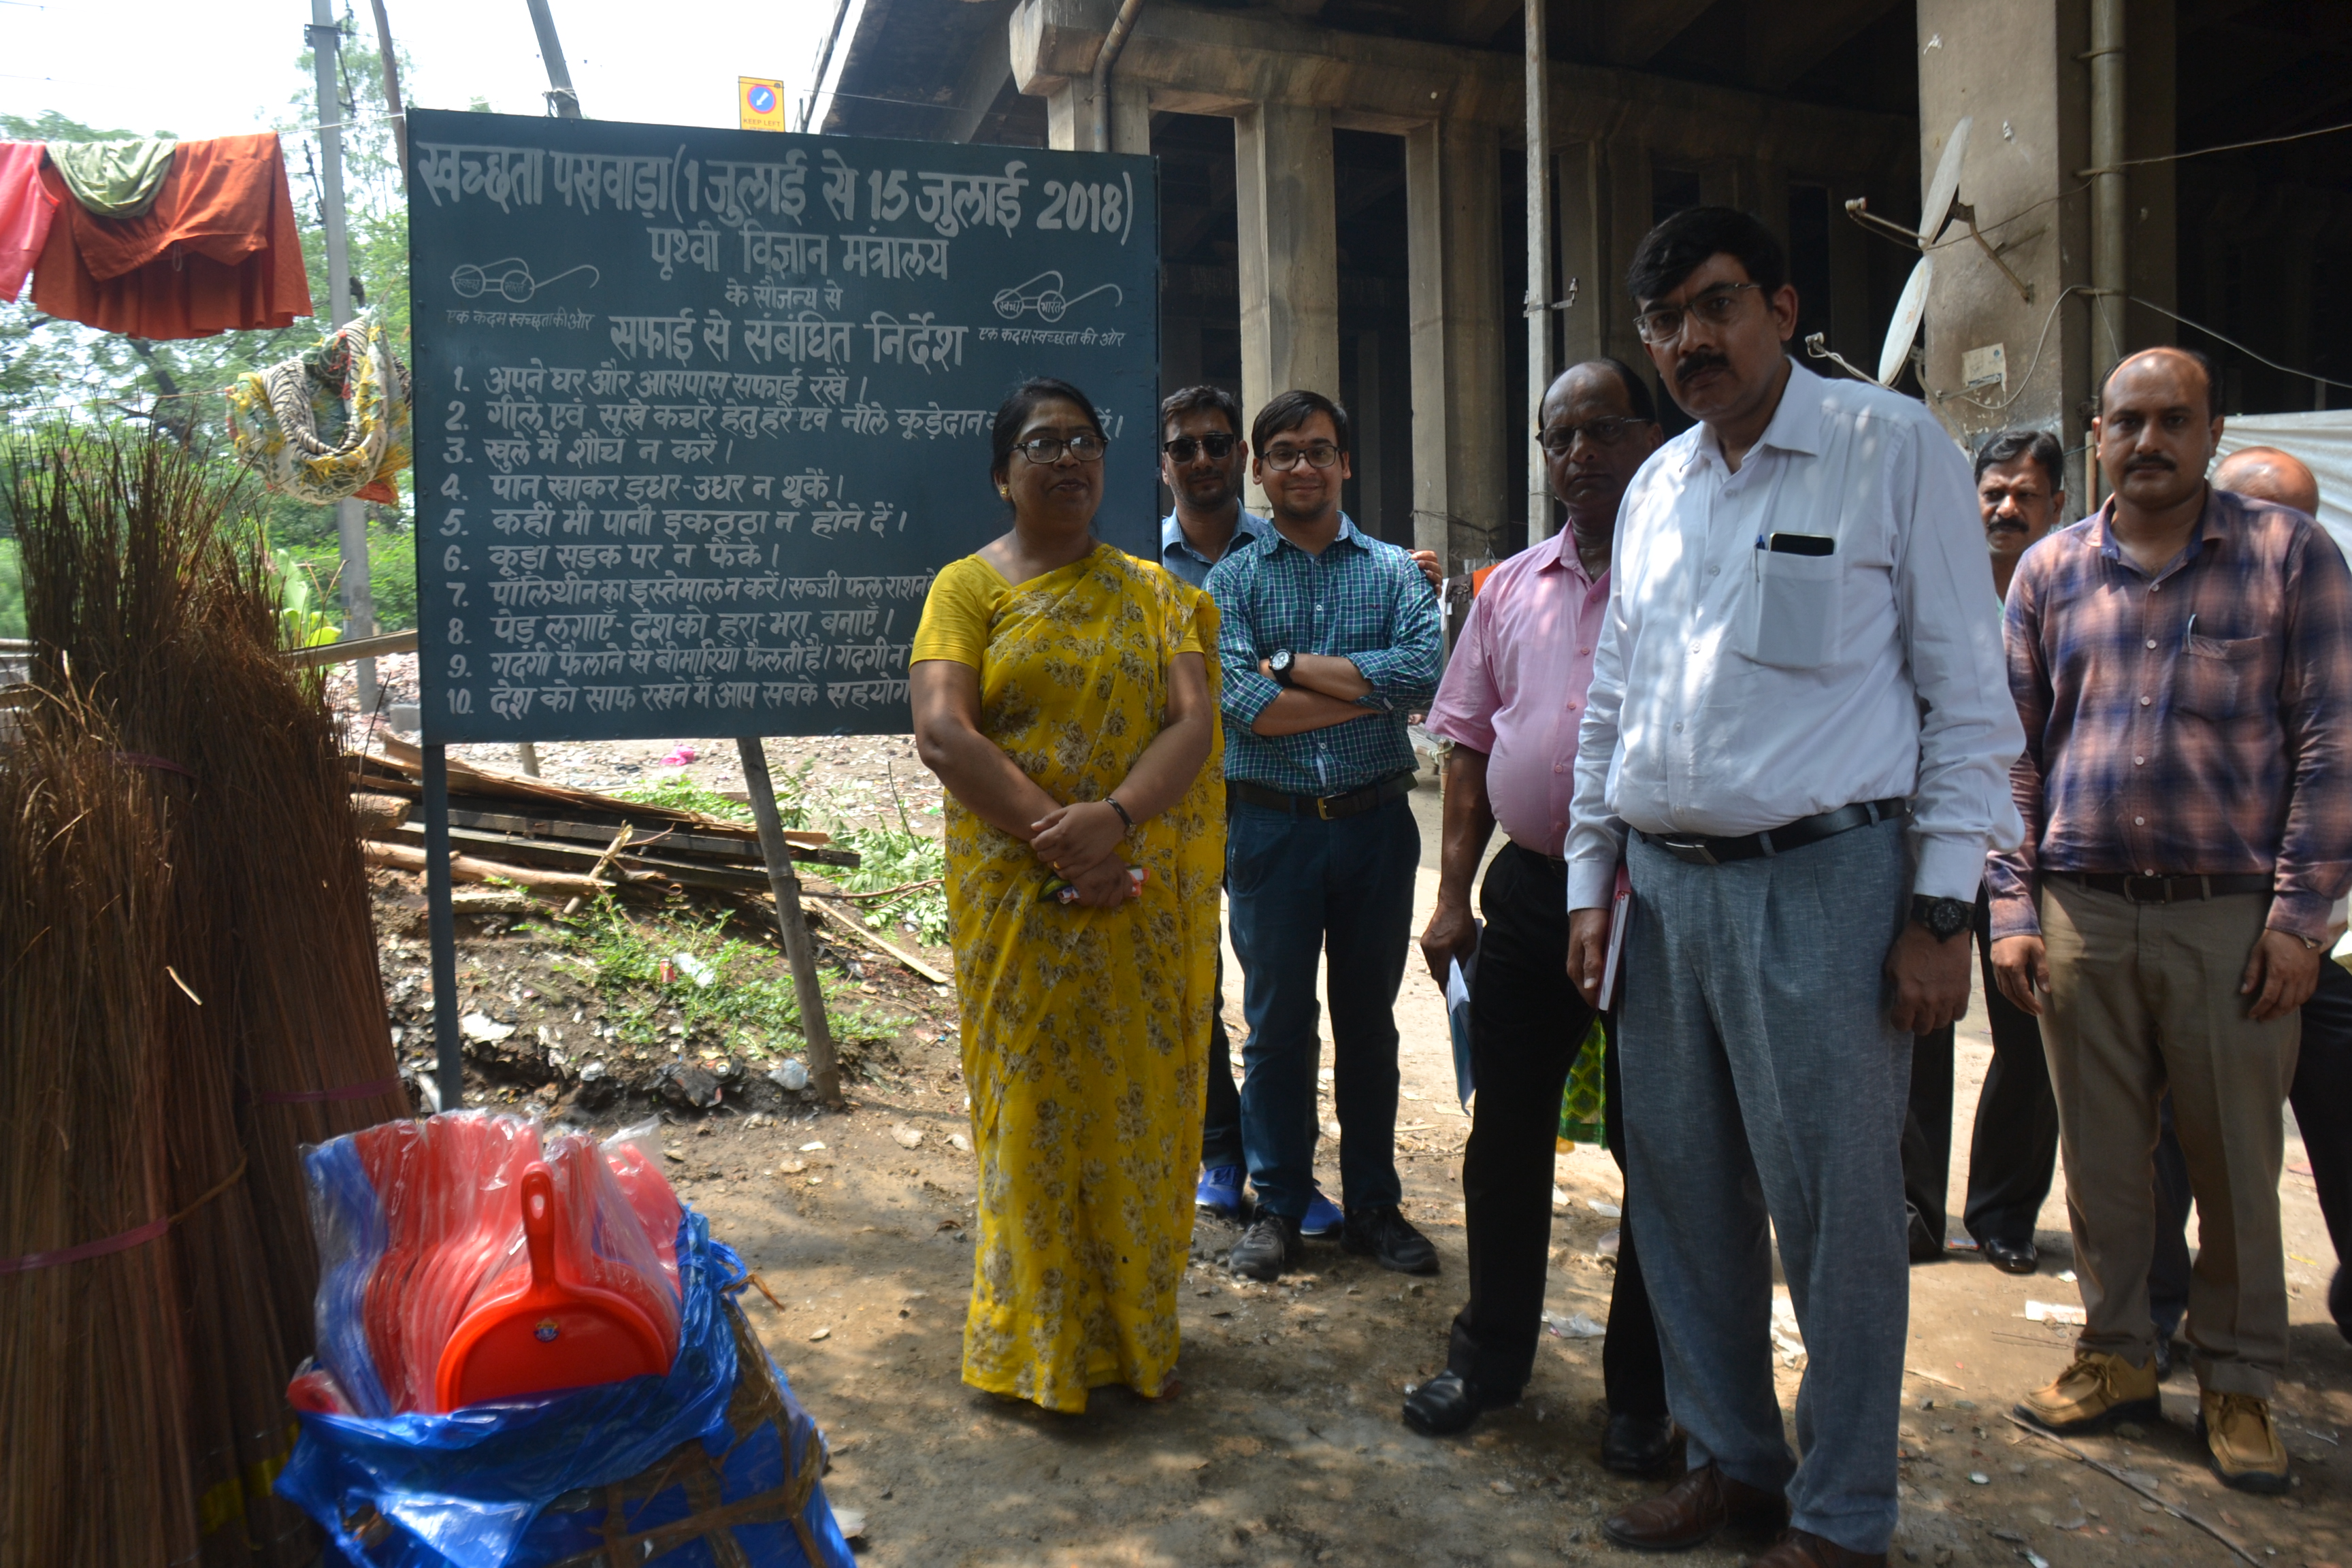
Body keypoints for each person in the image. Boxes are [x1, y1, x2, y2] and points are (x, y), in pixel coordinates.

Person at [1564, 207, 2023, 1568]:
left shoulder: (1890, 451)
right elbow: (1613, 707)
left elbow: (1970, 702)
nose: (1689, 342)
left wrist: (1943, 910)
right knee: (1686, 1204)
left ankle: (1840, 1514)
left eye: (1713, 307)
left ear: (1780, 303)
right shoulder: (1658, 490)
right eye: (1663, 326)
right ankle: (1736, 1465)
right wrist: (1593, 877)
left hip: (1827, 887)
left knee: (1834, 1222)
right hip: (1665, 893)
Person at [1989, 348, 2352, 1493]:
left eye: (2173, 420)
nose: (2149, 440)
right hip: (2081, 908)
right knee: (2102, 1162)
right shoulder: (2049, 570)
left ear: (2211, 428)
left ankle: (2238, 1377)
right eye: (2127, 420)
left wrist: (2300, 920)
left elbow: (2332, 745)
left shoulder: (2289, 556)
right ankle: (2116, 1354)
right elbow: (2008, 750)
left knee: (2235, 1159)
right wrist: (2009, 901)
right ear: (2095, 431)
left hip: (2227, 922)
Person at [910, 376, 1227, 1412]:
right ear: (1004, 475)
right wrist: (1064, 837)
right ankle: (1037, 1353)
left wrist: (1118, 821)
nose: (1067, 459)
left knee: (1144, 1115)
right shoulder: (967, 588)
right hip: (1022, 901)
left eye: (1084, 440)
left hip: (1137, 900)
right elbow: (945, 731)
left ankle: (1139, 1337)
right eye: (1042, 445)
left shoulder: (1162, 593)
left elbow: (1193, 724)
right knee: (1035, 1118)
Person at [1403, 359, 1676, 1474]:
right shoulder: (1509, 585)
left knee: (1664, 1150)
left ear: (1647, 435)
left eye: (1601, 431)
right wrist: (1451, 895)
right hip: (1528, 892)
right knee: (1506, 1132)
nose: (1579, 456)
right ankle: (1491, 1356)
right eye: (1558, 437)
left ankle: (1641, 1394)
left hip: (1662, 899)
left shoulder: (1692, 575)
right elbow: (1466, 742)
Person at [1158, 383, 1441, 1236]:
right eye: (1283, 454)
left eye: (1319, 450)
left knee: (1369, 1025)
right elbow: (1251, 707)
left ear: (1345, 463)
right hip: (1270, 829)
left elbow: (1424, 677)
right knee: (1277, 1029)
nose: (1302, 467)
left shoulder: (1395, 571)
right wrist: (1368, 691)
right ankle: (1278, 1207)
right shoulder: (1230, 583)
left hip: (1376, 828)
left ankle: (1376, 1207)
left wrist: (1292, 664)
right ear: (1262, 471)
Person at [2138, 441, 2351, 1355]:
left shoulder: (2329, 612)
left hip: (2323, 942)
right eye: (2265, 515)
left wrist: (2306, 923)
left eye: (2299, 518)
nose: (2282, 536)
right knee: (2178, 1142)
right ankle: (2153, 1320)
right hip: (2208, 926)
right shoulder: (2166, 613)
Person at [1902, 429, 2068, 1275]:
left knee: (2029, 1034)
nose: (2006, 509)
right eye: (1993, 492)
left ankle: (2003, 1214)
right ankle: (1915, 1212)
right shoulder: (1938, 583)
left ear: (2056, 506)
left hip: (2030, 853)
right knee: (1921, 1024)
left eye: (2024, 495)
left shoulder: (2072, 600)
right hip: (1933, 843)